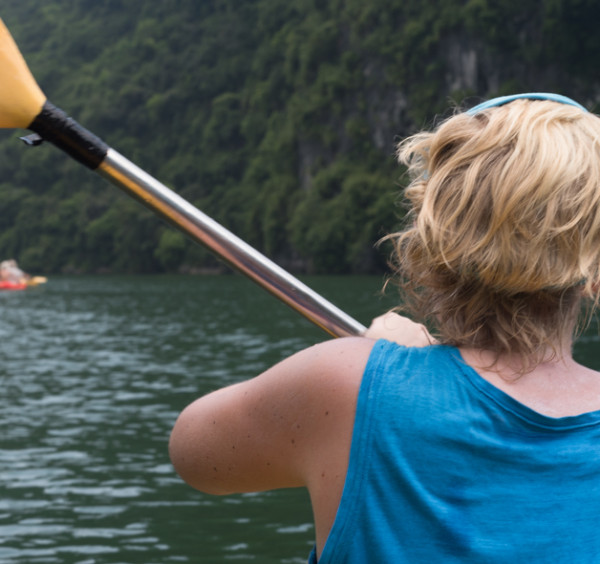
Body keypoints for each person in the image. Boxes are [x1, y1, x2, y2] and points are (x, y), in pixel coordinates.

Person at [169, 93, 600, 562]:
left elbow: (194, 454)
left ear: (434, 238)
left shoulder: (347, 385)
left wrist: (390, 366)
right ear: (592, 272)